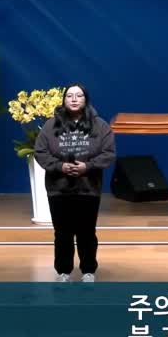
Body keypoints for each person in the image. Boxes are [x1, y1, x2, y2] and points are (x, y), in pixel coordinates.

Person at [34, 83, 116, 282]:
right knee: (62, 233)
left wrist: (87, 166)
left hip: (88, 188)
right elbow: (40, 152)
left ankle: (88, 271)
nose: (74, 99)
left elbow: (108, 153)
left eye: (78, 95)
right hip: (58, 189)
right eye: (69, 95)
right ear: (64, 100)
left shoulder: (100, 125)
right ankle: (64, 272)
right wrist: (60, 166)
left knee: (86, 232)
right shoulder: (51, 125)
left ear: (85, 100)